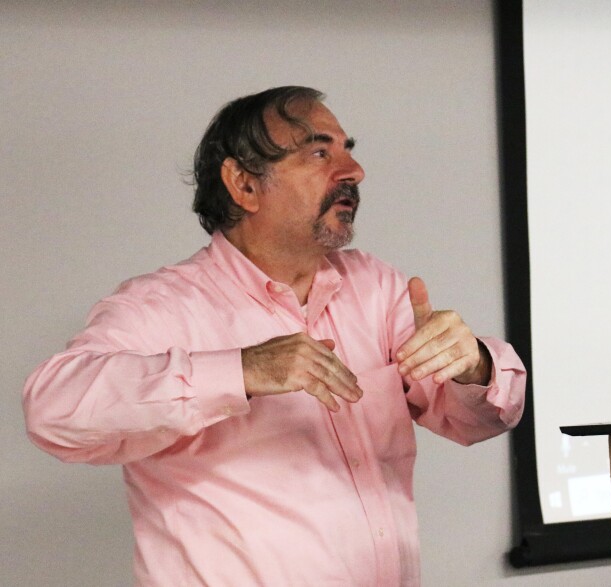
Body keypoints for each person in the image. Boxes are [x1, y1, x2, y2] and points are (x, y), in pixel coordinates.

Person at [21, 86, 526, 586]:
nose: (353, 172)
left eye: (348, 151)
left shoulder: (377, 288)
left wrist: (474, 365)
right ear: (243, 184)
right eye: (318, 152)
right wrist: (239, 370)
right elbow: (51, 409)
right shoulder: (164, 305)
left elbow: (477, 420)